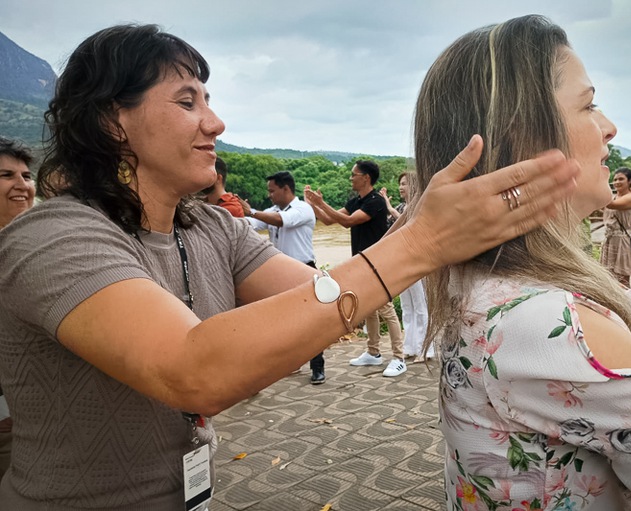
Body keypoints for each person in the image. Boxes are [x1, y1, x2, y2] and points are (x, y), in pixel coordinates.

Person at [0, 24, 579, 510]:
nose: (215, 123)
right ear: (112, 121)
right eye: (187, 101)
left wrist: (445, 224)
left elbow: (328, 295)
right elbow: (193, 372)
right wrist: (423, 241)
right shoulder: (56, 237)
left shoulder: (208, 227)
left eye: (208, 100)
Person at [415, 15, 631, 510]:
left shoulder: (494, 283)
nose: (609, 127)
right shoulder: (539, 322)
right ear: (523, 137)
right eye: (589, 105)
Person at [305, 161, 407, 377]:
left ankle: (399, 358)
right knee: (369, 308)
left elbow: (348, 221)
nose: (351, 178)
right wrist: (314, 205)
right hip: (361, 262)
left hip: (378, 262)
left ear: (366, 177)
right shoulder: (356, 201)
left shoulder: (376, 201)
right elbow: (328, 220)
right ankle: (373, 352)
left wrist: (322, 203)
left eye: (354, 174)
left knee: (386, 309)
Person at [245, 170, 327, 384]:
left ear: (286, 189)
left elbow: (281, 221)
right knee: (284, 320)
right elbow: (252, 224)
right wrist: (234, 211)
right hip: (279, 271)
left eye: (272, 191)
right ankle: (292, 361)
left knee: (311, 321)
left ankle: (317, 367)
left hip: (303, 268)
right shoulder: (272, 211)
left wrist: (251, 211)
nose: (269, 195)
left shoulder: (303, 209)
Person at [0, 136, 35, 483]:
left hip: (36, 423)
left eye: (26, 175)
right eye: (6, 175)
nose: (22, 184)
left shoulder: (38, 248)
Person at [382, 172, 433, 361]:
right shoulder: (400, 207)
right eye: (400, 184)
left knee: (420, 306)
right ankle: (410, 346)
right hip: (401, 260)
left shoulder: (421, 206)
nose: (401, 187)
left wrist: (388, 207)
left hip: (418, 260)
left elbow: (409, 222)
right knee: (407, 305)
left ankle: (425, 349)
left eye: (405, 184)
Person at [599, 167, 631, 287]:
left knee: (623, 280)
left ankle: (627, 299)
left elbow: (611, 205)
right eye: (615, 179)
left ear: (629, 181)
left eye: (621, 179)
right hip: (610, 240)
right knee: (610, 278)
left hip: (622, 241)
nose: (617, 182)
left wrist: (595, 186)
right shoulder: (613, 197)